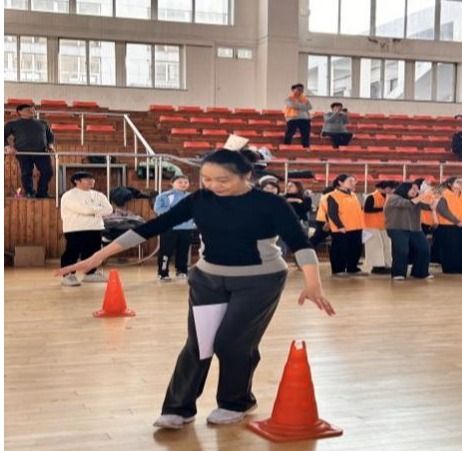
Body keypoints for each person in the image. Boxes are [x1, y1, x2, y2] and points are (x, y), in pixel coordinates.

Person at [56, 149, 334, 430]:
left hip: (258, 281)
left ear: (246, 175)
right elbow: (153, 227)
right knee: (199, 344)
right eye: (207, 179)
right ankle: (178, 408)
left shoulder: (270, 204)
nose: (213, 186)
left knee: (232, 342)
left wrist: (313, 284)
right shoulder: (200, 200)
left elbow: (300, 242)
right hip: (208, 279)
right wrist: (98, 257)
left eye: (222, 180)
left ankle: (235, 402)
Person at [59, 172, 113, 287]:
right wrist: (98, 210)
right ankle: (67, 275)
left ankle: (90, 273)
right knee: (72, 252)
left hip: (96, 227)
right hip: (75, 228)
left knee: (93, 252)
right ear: (77, 181)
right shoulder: (69, 196)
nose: (91, 181)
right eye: (87, 179)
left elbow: (109, 209)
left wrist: (92, 211)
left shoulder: (98, 195)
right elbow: (84, 210)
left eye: (92, 179)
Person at [384, 182, 434, 281]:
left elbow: (429, 206)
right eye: (413, 189)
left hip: (415, 228)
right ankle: (398, 273)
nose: (415, 191)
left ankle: (420, 272)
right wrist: (422, 196)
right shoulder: (394, 198)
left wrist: (432, 197)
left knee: (424, 249)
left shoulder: (416, 200)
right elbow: (408, 204)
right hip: (397, 228)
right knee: (402, 250)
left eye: (416, 189)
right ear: (405, 188)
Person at [4, 103, 55, 198]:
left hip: (42, 152)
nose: (32, 111)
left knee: (48, 171)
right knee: (26, 173)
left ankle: (42, 192)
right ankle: (29, 192)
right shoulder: (12, 124)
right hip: (23, 152)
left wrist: (50, 145)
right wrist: (7, 147)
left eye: (33, 109)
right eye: (28, 109)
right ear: (20, 112)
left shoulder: (43, 123)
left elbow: (50, 136)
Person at [154, 175, 196, 281]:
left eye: (185, 182)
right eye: (180, 182)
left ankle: (182, 271)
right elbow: (158, 209)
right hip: (169, 228)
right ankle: (163, 273)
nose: (183, 184)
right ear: (172, 183)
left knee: (183, 251)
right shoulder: (164, 196)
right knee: (166, 251)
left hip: (187, 228)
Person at [326, 174, 366, 277]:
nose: (353, 183)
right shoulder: (333, 196)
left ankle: (352, 268)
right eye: (350, 181)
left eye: (354, 181)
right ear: (340, 182)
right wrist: (339, 226)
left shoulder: (353, 195)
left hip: (356, 227)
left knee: (355, 249)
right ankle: (338, 270)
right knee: (340, 249)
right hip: (342, 228)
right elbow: (332, 213)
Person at [436, 176, 462, 274]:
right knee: (450, 248)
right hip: (448, 226)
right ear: (450, 184)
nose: (461, 184)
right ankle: (450, 269)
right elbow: (442, 210)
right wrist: (457, 221)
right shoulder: (443, 194)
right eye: (458, 182)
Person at [363, 181, 396, 274]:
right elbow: (368, 210)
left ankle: (387, 264)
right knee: (376, 246)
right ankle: (377, 266)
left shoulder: (389, 197)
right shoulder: (371, 197)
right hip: (371, 226)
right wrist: (383, 208)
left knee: (387, 245)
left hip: (384, 225)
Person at [283, 83, 312, 149]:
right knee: (290, 133)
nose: (300, 91)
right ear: (293, 90)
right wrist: (303, 106)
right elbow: (293, 106)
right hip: (292, 118)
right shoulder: (289, 98)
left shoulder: (305, 99)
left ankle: (306, 148)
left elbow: (309, 107)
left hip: (305, 119)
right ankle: (286, 148)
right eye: (298, 89)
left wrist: (298, 105)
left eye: (302, 89)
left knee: (305, 134)